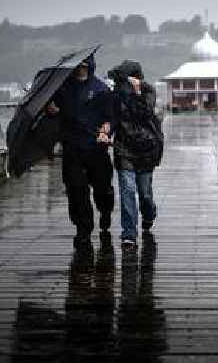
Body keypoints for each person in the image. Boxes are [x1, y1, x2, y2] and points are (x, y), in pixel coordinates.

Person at [47, 52, 114, 247]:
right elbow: (54, 113)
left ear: (90, 66)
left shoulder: (101, 89)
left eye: (85, 66)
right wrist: (51, 111)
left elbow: (110, 117)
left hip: (96, 148)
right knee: (76, 190)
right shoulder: (62, 90)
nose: (81, 69)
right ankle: (83, 229)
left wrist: (106, 128)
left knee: (102, 189)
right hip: (72, 147)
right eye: (78, 66)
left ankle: (105, 210)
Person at [100, 60, 163, 249]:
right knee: (127, 190)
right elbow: (112, 118)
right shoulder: (116, 95)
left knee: (144, 195)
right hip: (124, 149)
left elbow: (144, 114)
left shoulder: (148, 91)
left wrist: (136, 93)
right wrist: (106, 131)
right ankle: (129, 233)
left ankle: (149, 214)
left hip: (146, 149)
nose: (121, 84)